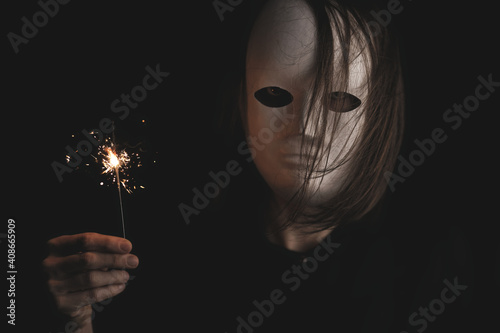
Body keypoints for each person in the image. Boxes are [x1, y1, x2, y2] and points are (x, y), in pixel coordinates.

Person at [43, 0, 404, 331]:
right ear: (242, 104)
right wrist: (75, 321)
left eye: (339, 98)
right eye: (275, 95)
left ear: (376, 112)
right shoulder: (176, 257)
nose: (306, 127)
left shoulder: (421, 269)